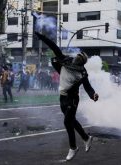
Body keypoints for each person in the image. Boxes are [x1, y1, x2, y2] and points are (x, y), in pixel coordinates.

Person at [35, 32, 99, 161]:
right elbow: (54, 47)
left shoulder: (82, 74)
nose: (77, 58)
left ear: (83, 63)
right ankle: (86, 138)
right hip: (62, 97)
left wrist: (93, 95)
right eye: (78, 56)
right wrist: (43, 37)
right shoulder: (65, 60)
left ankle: (73, 148)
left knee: (67, 122)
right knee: (72, 121)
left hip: (72, 99)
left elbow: (88, 87)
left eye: (81, 58)